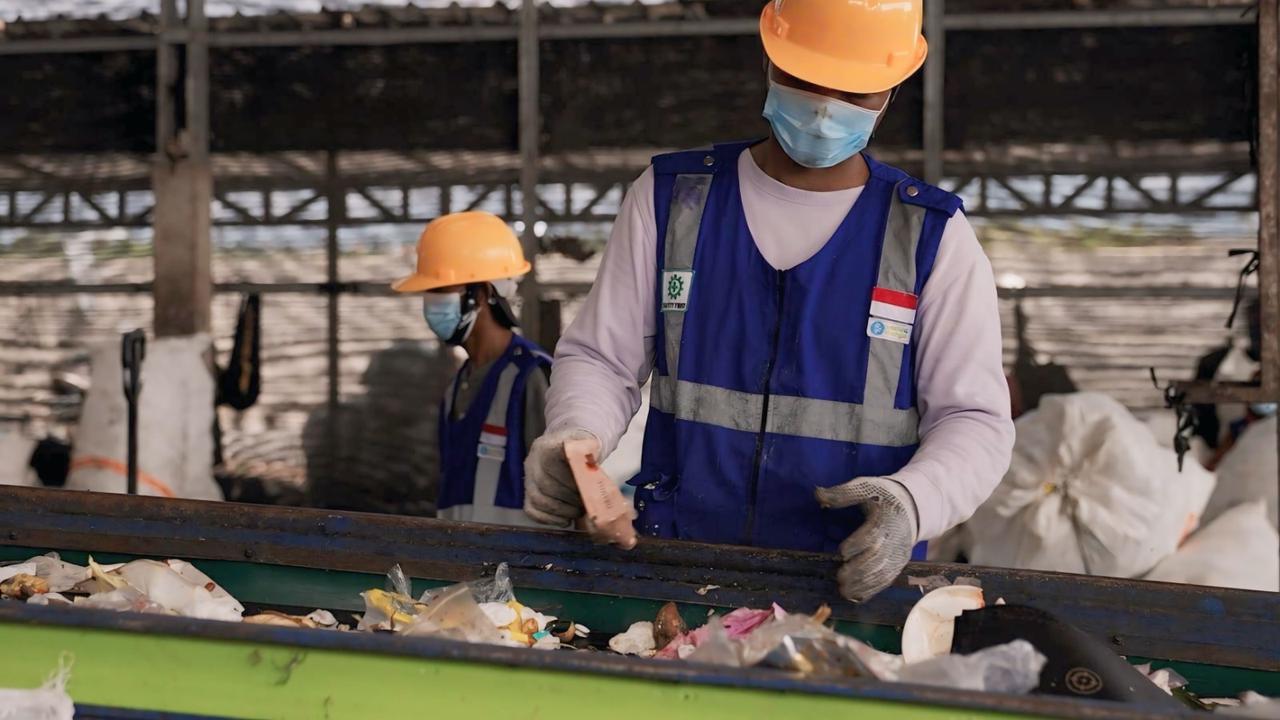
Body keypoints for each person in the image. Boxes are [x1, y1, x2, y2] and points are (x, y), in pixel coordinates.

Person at [524, 0, 1015, 601]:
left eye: (853, 92)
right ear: (769, 58)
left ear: (892, 88)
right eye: (806, 78)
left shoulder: (931, 236)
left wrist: (913, 501)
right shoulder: (673, 200)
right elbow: (603, 359)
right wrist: (576, 434)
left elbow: (973, 418)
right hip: (678, 573)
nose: (825, 107)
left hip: (843, 590)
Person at [392, 211, 552, 526]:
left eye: (440, 291)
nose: (430, 304)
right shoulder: (458, 386)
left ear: (480, 295)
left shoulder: (531, 376)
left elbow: (565, 493)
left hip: (520, 558)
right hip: (461, 555)